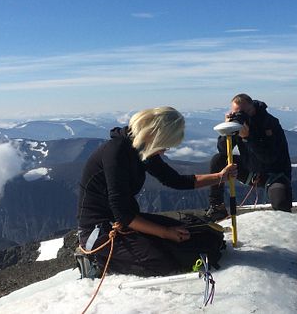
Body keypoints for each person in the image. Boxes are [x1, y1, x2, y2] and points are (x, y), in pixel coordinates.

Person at [77, 106, 236, 277]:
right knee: (163, 262)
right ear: (155, 136)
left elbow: (176, 181)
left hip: (126, 221)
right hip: (98, 231)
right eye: (165, 144)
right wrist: (165, 233)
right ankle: (96, 260)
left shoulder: (141, 149)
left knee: (204, 236)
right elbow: (123, 214)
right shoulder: (116, 153)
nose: (165, 150)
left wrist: (220, 177)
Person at [206, 93, 292, 220]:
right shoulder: (239, 123)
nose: (241, 115)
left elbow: (269, 158)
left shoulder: (269, 123)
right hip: (250, 169)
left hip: (275, 173)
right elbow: (223, 150)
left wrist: (248, 138)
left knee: (281, 204)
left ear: (252, 108)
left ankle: (287, 226)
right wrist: (227, 131)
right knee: (218, 160)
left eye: (244, 112)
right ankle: (217, 207)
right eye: (237, 112)